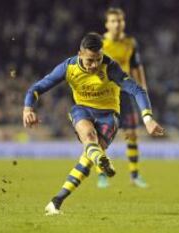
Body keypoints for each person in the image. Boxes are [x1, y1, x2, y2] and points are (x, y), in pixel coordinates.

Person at [22, 32, 164, 215]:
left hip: (109, 117)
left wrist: (148, 118)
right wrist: (28, 109)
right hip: (82, 110)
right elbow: (36, 88)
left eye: (98, 59)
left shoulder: (110, 67)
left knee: (87, 159)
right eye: (90, 60)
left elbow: (137, 90)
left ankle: (56, 201)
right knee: (89, 137)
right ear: (80, 54)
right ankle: (100, 159)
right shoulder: (68, 67)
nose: (95, 65)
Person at [93, 7, 150, 188]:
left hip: (124, 93)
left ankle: (134, 175)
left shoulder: (130, 43)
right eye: (113, 21)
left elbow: (136, 66)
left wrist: (143, 87)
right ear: (107, 24)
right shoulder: (100, 43)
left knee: (131, 133)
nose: (117, 24)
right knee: (101, 136)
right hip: (104, 93)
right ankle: (102, 175)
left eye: (120, 21)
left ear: (123, 22)